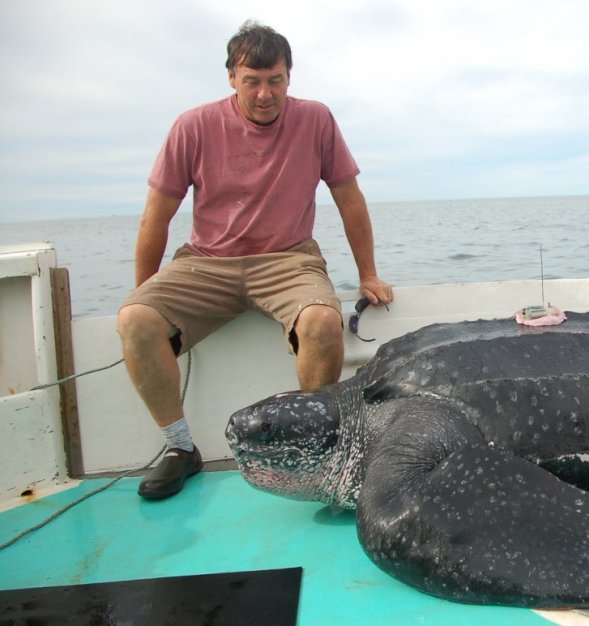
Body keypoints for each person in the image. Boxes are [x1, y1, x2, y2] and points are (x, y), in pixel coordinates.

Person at [117, 21, 393, 500]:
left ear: (289, 78)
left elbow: (349, 198)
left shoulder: (317, 120)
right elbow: (156, 217)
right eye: (252, 81)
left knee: (323, 325)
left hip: (288, 259)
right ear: (231, 77)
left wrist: (367, 272)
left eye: (275, 81)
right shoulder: (192, 126)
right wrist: (145, 289)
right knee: (136, 319)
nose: (264, 94)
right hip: (206, 261)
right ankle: (181, 448)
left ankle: (319, 450)